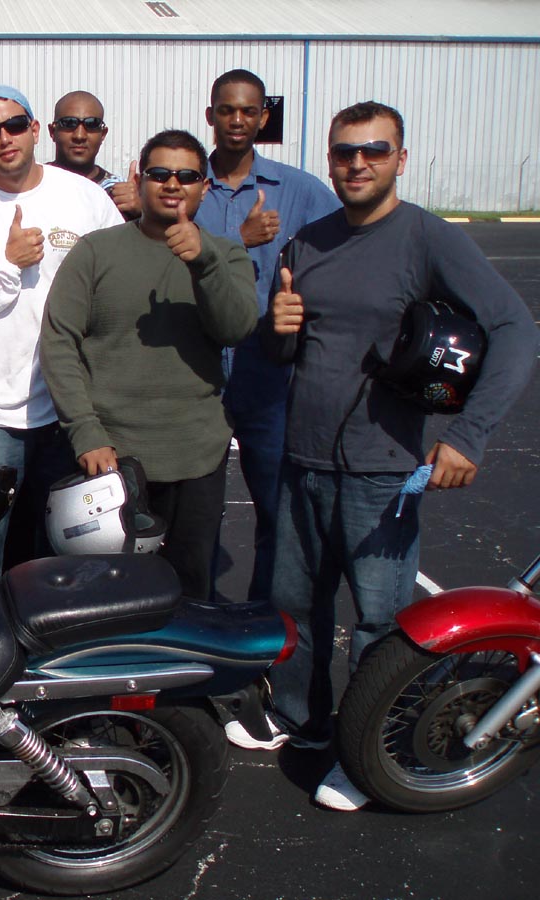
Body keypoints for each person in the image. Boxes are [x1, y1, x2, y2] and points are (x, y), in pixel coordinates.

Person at [225, 101, 538, 811]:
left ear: (400, 158)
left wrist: (469, 433)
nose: (357, 163)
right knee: (293, 606)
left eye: (373, 150)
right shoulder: (307, 243)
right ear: (330, 158)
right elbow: (286, 352)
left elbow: (515, 328)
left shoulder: (426, 238)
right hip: (303, 461)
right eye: (345, 151)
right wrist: (277, 331)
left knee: (380, 622)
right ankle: (300, 719)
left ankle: (368, 754)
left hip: (382, 471)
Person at [41, 129, 257, 602]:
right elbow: (59, 341)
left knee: (188, 596)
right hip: (110, 461)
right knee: (108, 600)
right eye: (160, 173)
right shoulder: (95, 252)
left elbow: (236, 327)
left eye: (187, 176)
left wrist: (205, 263)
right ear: (139, 180)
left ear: (204, 187)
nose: (172, 184)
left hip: (196, 458)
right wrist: (85, 430)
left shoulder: (226, 255)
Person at [0, 85, 121, 571]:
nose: (5, 137)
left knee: (62, 559)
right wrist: (8, 264)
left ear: (36, 129)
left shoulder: (85, 198)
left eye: (15, 125)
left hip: (68, 410)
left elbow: (117, 287)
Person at [195, 68, 341, 604]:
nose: (237, 120)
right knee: (195, 517)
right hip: (197, 374)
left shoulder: (299, 191)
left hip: (270, 374)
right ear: (210, 115)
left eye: (248, 111)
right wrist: (239, 238)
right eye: (226, 110)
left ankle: (264, 625)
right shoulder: (187, 185)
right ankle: (198, 621)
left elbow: (345, 252)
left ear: (263, 117)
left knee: (278, 512)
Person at [47, 90, 141, 220]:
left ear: (103, 134)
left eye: (91, 124)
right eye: (69, 123)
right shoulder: (31, 185)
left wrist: (141, 213)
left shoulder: (119, 194)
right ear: (52, 132)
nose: (79, 136)